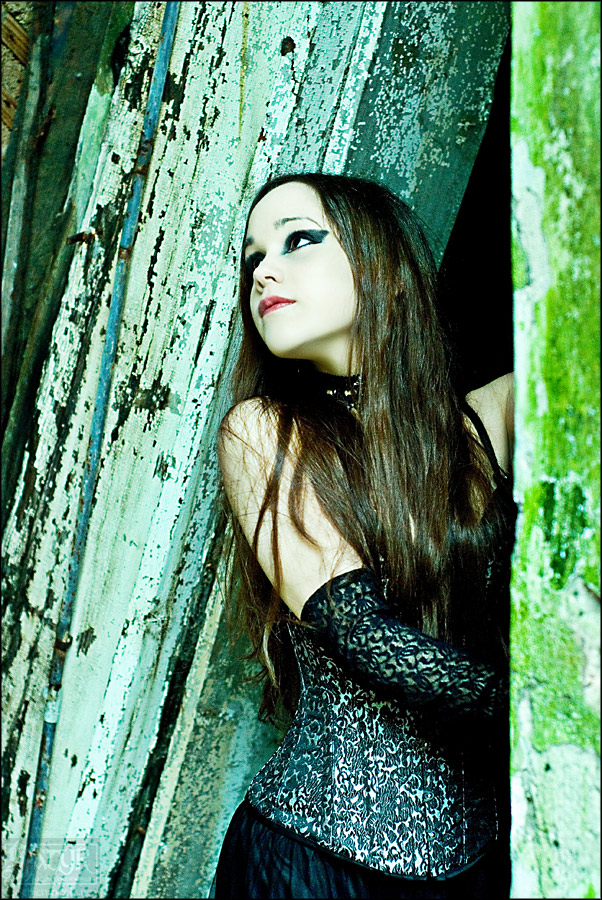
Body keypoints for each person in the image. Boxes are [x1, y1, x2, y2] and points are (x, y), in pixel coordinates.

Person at [211, 172, 516, 899]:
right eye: (253, 259)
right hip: (312, 866)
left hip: (478, 867)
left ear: (387, 266)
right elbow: (364, 637)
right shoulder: (262, 431)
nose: (264, 272)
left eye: (298, 240)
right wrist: (547, 710)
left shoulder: (492, 420)